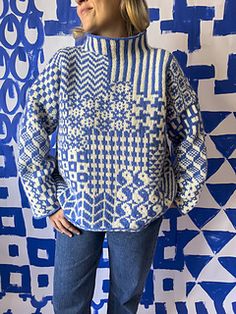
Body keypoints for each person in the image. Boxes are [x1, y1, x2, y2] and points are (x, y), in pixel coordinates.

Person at [16, 0, 208, 313]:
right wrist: (46, 200)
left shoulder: (161, 66)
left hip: (141, 209)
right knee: (67, 303)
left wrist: (179, 190)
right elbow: (30, 129)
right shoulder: (66, 64)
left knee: (125, 301)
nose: (78, 2)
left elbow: (190, 132)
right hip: (76, 208)